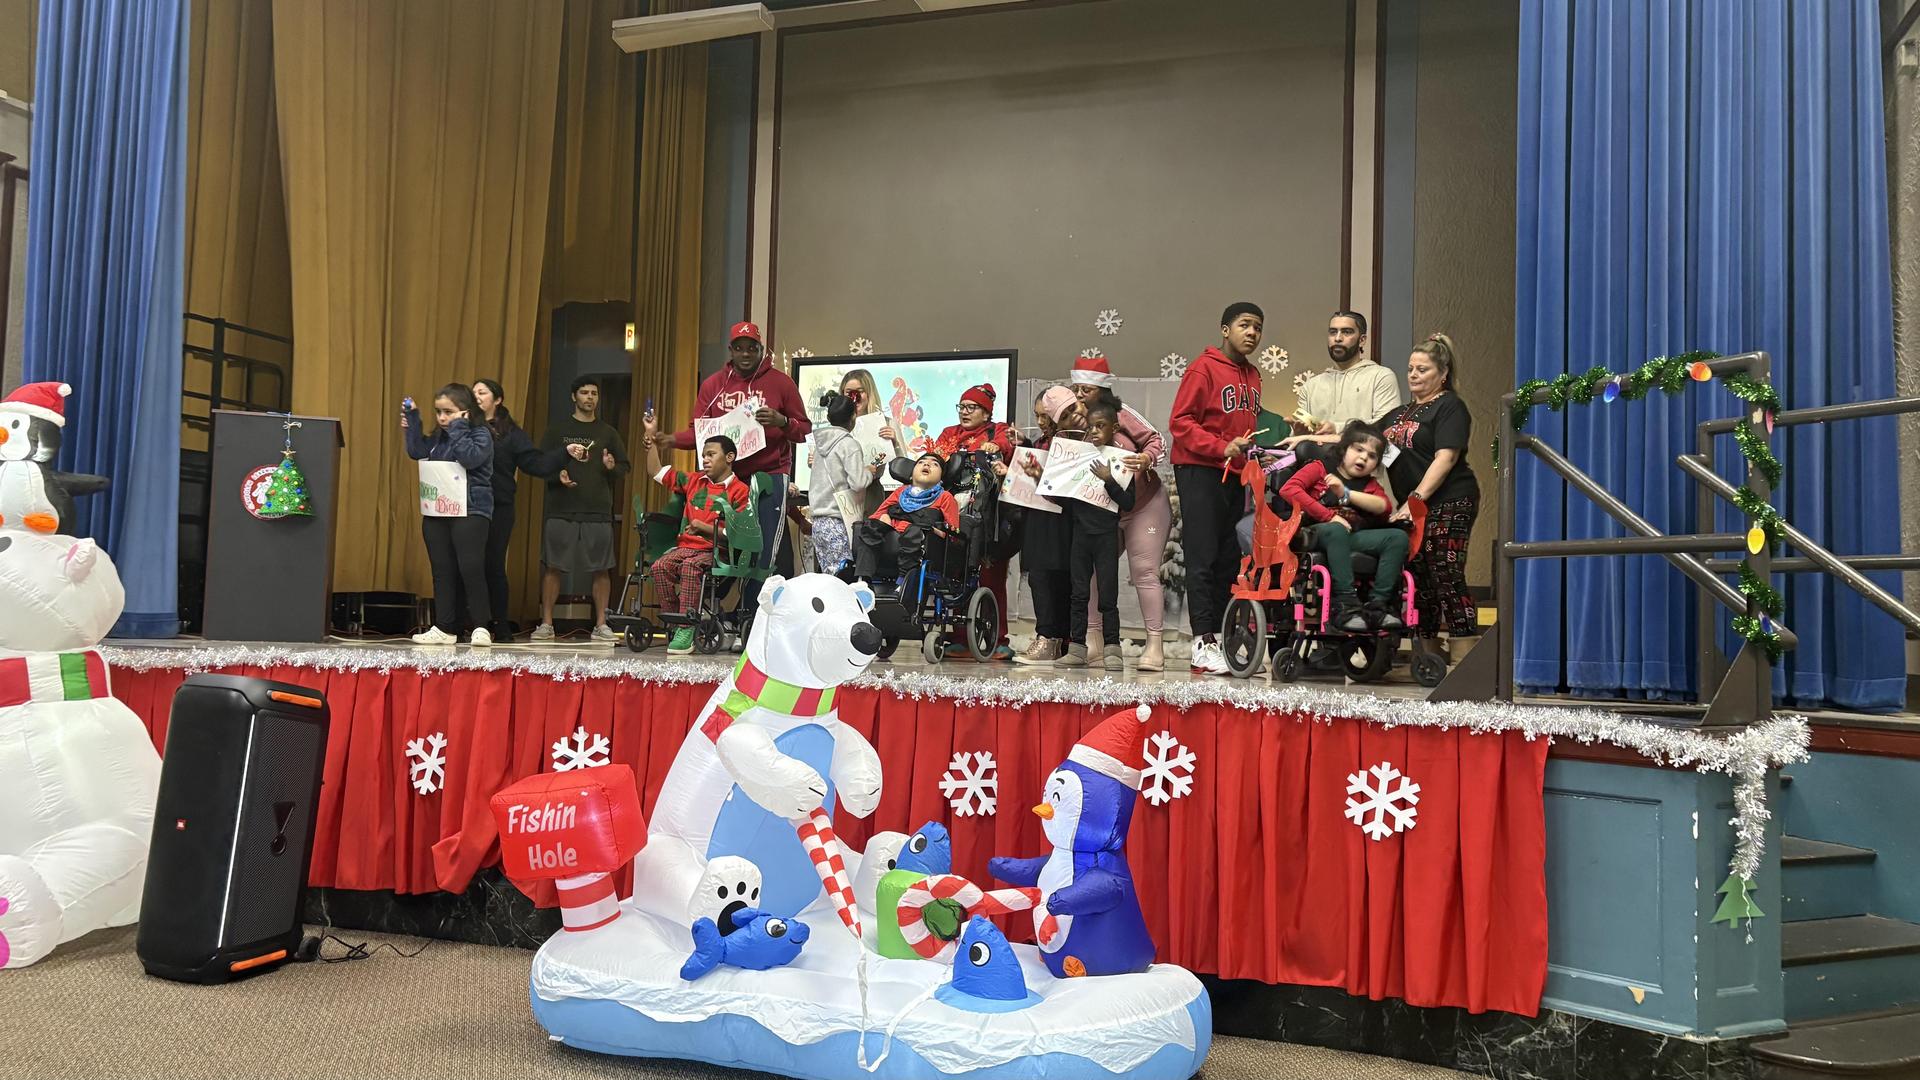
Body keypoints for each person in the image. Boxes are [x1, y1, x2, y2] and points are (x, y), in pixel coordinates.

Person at [670, 321, 811, 615]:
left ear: (761, 350)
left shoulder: (781, 383)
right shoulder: (713, 385)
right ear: (731, 350)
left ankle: (753, 617)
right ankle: (714, 610)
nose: (746, 353)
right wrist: (666, 440)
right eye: (739, 347)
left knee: (763, 550)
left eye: (752, 348)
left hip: (768, 477)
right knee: (725, 546)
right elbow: (698, 434)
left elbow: (804, 430)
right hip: (726, 479)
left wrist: (782, 421)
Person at [1170, 302, 1266, 675]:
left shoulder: (1254, 375)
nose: (1252, 333)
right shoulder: (1203, 367)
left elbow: (1243, 430)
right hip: (1200, 469)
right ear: (1225, 329)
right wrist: (1218, 447)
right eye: (1244, 325)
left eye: (1258, 327)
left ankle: (1224, 640)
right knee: (1203, 554)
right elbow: (1180, 421)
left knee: (1228, 557)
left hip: (1233, 473)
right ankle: (1201, 641)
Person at [1067, 355, 1173, 672]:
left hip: (1143, 506)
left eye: (1086, 389)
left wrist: (1146, 459)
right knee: (1095, 574)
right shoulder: (1072, 422)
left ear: (1101, 389)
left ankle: (1154, 645)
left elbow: (1156, 440)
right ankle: (1095, 641)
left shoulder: (1122, 415)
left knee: (1144, 572)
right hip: (1102, 513)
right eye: (1076, 389)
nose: (1081, 394)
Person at [1378, 333, 1480, 653]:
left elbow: (1445, 458)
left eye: (1422, 370)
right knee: (1418, 574)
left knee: (1444, 571)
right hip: (1413, 505)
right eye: (1410, 369)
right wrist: (1324, 433)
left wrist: (1416, 499)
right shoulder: (1399, 414)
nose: (1413, 375)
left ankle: (1464, 650)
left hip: (1450, 498)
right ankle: (1428, 654)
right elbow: (1367, 442)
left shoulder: (1450, 406)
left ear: (1443, 374)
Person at [1279, 422, 1406, 632]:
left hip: (1349, 537)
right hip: (1316, 533)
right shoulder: (1320, 468)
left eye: (1372, 456)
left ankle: (1378, 606)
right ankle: (1346, 605)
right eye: (1358, 449)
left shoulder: (1370, 484)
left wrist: (1345, 494)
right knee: (1336, 530)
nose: (1364, 458)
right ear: (1344, 449)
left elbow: (1384, 506)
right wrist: (1328, 516)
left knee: (1397, 538)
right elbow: (1289, 489)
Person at [532, 375, 631, 643]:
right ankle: (547, 623)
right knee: (553, 566)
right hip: (560, 508)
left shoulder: (608, 432)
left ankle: (601, 624)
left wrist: (612, 467)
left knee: (602, 568)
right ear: (573, 396)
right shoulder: (556, 430)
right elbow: (541, 465)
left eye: (594, 393)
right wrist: (558, 476)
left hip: (597, 508)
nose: (590, 397)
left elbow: (624, 466)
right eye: (585, 393)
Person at [467, 378, 566, 642]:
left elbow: (536, 464)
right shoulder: (464, 427)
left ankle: (499, 624)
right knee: (468, 565)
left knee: (494, 564)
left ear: (497, 399)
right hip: (467, 505)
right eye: (473, 392)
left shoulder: (510, 433)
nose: (476, 396)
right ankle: (468, 623)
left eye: (482, 392)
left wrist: (564, 453)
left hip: (499, 506)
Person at [642, 418, 752, 655]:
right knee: (660, 566)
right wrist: (650, 440)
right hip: (686, 548)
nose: (705, 459)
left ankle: (686, 627)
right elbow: (655, 471)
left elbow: (737, 535)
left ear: (729, 458)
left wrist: (703, 527)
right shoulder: (693, 480)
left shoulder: (740, 491)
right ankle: (677, 622)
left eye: (711, 454)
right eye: (704, 455)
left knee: (691, 566)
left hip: (717, 551)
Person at [402, 384, 496, 646]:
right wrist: (412, 421)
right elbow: (416, 451)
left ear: (466, 412)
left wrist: (458, 428)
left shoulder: (481, 434)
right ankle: (445, 627)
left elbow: (469, 458)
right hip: (437, 512)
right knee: (442, 570)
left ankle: (480, 626)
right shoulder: (439, 437)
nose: (442, 418)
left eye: (449, 412)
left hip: (471, 510)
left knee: (471, 567)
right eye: (438, 412)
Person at [930, 383, 1017, 660]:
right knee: (955, 572)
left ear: (986, 412)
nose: (965, 412)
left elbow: (1006, 446)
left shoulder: (997, 430)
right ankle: (957, 636)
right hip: (954, 513)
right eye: (962, 407)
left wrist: (996, 446)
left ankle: (997, 638)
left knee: (991, 577)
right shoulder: (949, 434)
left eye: (972, 407)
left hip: (989, 515)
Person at [1057, 398, 1138, 671]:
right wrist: (1043, 480)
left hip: (1105, 536)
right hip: (1080, 535)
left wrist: (1109, 479)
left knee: (1107, 596)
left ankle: (1112, 649)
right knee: (1078, 594)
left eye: (1100, 426)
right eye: (1091, 426)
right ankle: (1077, 648)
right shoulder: (1081, 459)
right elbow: (1066, 501)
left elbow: (1128, 503)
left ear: (1114, 428)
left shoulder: (1123, 461)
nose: (1093, 431)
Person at [1012, 387, 1085, 666]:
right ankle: (1046, 636)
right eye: (1037, 416)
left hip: (1064, 518)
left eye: (1046, 416)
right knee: (1039, 576)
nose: (1042, 422)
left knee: (1063, 579)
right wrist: (1024, 446)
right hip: (1038, 517)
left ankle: (1060, 639)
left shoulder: (1073, 441)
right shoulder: (1041, 442)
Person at [852, 451, 961, 592]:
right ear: (911, 474)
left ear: (941, 478)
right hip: (890, 540)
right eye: (921, 462)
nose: (927, 464)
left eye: (934, 464)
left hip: (921, 541)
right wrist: (884, 517)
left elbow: (953, 534)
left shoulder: (945, 497)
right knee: (871, 526)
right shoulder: (901, 492)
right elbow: (879, 513)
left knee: (914, 532)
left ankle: (903, 581)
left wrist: (935, 531)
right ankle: (863, 581)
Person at [1290, 311, 1404, 441]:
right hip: (1317, 458)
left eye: (1347, 332)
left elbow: (1387, 427)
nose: (1338, 338)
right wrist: (1299, 433)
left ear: (1362, 340)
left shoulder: (1381, 376)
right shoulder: (1311, 386)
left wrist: (1337, 428)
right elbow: (1303, 434)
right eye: (1333, 332)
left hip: (1363, 458)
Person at [809, 390, 879, 574]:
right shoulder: (849, 444)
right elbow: (857, 482)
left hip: (818, 522)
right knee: (841, 577)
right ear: (853, 416)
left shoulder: (820, 445)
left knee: (828, 576)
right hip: (838, 520)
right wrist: (869, 472)